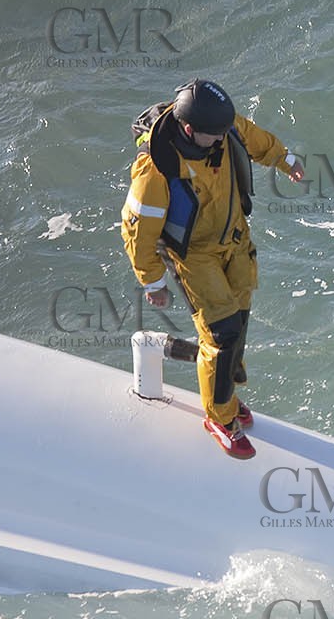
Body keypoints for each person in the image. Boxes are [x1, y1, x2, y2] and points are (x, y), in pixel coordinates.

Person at [121, 79, 306, 458]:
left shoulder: (221, 127)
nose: (225, 137)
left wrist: (285, 160)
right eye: (216, 134)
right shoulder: (156, 172)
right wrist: (153, 280)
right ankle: (220, 418)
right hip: (195, 256)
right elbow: (137, 233)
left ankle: (225, 391)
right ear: (190, 130)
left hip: (235, 240)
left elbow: (253, 138)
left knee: (239, 317)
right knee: (221, 334)